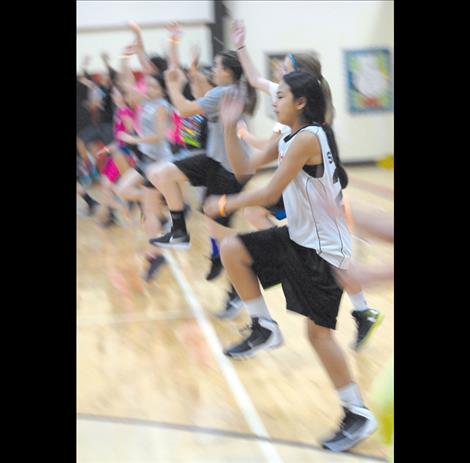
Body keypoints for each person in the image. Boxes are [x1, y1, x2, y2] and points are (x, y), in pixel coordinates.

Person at [203, 71, 377, 452]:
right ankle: (264, 326)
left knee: (318, 335)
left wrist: (226, 203)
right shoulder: (288, 136)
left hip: (323, 251)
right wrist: (230, 128)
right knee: (234, 249)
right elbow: (242, 168)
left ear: (301, 102)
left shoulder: (309, 137)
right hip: (297, 236)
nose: (274, 101)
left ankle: (357, 412)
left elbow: (269, 191)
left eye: (280, 96)